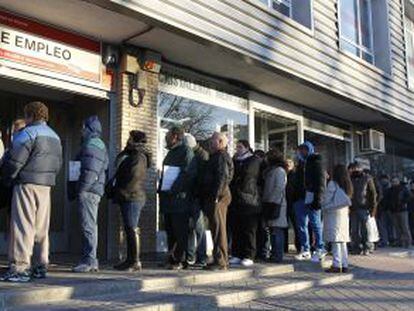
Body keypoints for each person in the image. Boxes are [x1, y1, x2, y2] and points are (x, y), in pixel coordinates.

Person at [0, 101, 62, 282]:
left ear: (30, 116)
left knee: (23, 225)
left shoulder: (27, 133)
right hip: (46, 186)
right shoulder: (55, 136)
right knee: (41, 228)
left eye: (26, 115)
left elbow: (14, 162)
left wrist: (7, 179)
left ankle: (20, 268)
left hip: (26, 184)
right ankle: (40, 266)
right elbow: (58, 164)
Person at [73, 116, 108, 273]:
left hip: (89, 191)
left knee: (88, 226)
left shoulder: (93, 143)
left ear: (89, 128)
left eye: (83, 127)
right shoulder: (95, 143)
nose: (81, 130)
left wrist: (82, 189)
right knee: (89, 225)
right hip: (92, 190)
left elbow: (91, 170)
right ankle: (89, 259)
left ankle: (90, 261)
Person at [111, 130, 151, 271]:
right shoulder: (132, 155)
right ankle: (130, 259)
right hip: (128, 196)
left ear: (135, 140)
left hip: (132, 196)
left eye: (130, 138)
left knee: (132, 228)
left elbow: (133, 177)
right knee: (129, 228)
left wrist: (120, 189)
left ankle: (135, 261)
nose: (127, 141)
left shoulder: (139, 157)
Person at [159, 127, 193, 270]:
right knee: (170, 231)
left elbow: (187, 174)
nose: (165, 137)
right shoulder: (171, 153)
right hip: (168, 199)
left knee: (180, 231)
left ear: (174, 136)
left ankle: (180, 259)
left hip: (180, 200)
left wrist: (173, 188)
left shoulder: (186, 151)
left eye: (167, 135)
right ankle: (171, 258)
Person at [201, 132, 233, 270]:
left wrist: (216, 195)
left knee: (219, 229)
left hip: (218, 196)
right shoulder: (216, 156)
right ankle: (219, 259)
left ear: (220, 142)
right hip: (215, 195)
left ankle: (221, 261)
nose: (209, 143)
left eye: (212, 140)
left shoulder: (221, 156)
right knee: (216, 228)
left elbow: (223, 176)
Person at [228, 140, 261, 267]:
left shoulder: (254, 160)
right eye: (236, 147)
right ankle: (237, 254)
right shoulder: (235, 160)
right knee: (236, 229)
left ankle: (249, 255)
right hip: (236, 200)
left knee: (249, 230)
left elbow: (247, 175)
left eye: (240, 147)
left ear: (247, 148)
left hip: (249, 200)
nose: (237, 149)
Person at [294, 141, 327, 262]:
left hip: (312, 196)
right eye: (300, 150)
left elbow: (321, 182)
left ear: (310, 149)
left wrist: (318, 199)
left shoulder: (316, 162)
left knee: (315, 223)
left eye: (304, 149)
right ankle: (305, 249)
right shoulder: (300, 164)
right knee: (301, 224)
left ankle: (320, 248)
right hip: (300, 197)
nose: (302, 152)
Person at [322, 165, 353, 273]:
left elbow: (326, 199)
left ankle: (336, 264)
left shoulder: (332, 184)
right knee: (342, 241)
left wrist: (323, 205)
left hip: (333, 214)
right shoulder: (347, 185)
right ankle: (344, 264)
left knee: (335, 240)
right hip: (343, 214)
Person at [184, 134, 208, 267]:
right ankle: (190, 255)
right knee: (190, 228)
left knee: (199, 228)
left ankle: (202, 256)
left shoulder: (201, 156)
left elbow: (201, 178)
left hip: (197, 197)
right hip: (191, 195)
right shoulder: (196, 154)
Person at [262, 150, 288, 263]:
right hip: (270, 202)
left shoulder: (280, 171)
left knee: (277, 230)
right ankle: (274, 254)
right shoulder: (270, 171)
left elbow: (279, 187)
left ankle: (278, 255)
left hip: (277, 203)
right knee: (272, 230)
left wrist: (271, 200)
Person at [349, 162, 378, 255]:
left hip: (364, 207)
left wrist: (373, 208)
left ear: (360, 168)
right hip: (353, 208)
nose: (354, 170)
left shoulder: (367, 178)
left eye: (356, 168)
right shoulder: (350, 179)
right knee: (354, 230)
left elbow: (373, 194)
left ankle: (367, 246)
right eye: (353, 168)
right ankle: (356, 247)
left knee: (365, 229)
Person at [386, 177, 412, 248]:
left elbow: (409, 196)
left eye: (395, 181)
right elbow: (387, 199)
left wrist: (403, 202)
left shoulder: (403, 188)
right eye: (393, 181)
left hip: (402, 210)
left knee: (405, 227)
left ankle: (408, 242)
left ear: (398, 181)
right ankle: (399, 242)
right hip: (394, 211)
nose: (394, 183)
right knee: (397, 228)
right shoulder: (390, 190)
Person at [285, 158, 300, 253]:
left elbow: (291, 190)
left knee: (296, 226)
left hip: (291, 203)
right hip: (288, 203)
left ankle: (298, 245)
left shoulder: (293, 175)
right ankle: (286, 246)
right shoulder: (287, 175)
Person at [376, 174, 394, 247]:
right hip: (390, 209)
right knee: (390, 225)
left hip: (382, 208)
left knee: (383, 226)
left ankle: (385, 240)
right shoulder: (391, 187)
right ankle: (391, 239)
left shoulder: (379, 187)